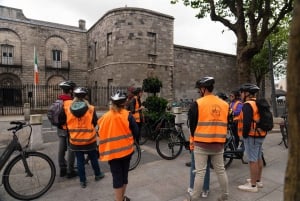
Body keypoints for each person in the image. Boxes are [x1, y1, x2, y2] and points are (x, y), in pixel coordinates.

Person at [185, 76, 229, 201]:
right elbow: (227, 122)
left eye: (199, 89)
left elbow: (192, 125)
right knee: (221, 171)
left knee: (200, 172)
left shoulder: (197, 104)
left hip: (201, 145)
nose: (199, 91)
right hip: (218, 144)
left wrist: (195, 138)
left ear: (204, 89)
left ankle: (193, 198)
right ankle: (225, 196)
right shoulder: (224, 104)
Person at [59, 87, 105, 188]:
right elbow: (95, 122)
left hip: (75, 140)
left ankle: (82, 181)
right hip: (89, 139)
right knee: (93, 158)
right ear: (85, 96)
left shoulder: (68, 108)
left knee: (79, 160)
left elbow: (63, 121)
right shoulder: (91, 108)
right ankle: (97, 175)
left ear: (74, 96)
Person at [98, 90, 139, 201]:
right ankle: (121, 198)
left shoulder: (104, 117)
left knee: (117, 177)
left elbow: (99, 132)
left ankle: (119, 199)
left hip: (111, 153)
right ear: (124, 103)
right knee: (124, 176)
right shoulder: (128, 116)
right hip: (126, 152)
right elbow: (136, 132)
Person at [237, 83, 265, 192]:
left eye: (242, 93)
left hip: (252, 136)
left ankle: (253, 186)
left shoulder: (248, 105)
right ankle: (258, 180)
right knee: (258, 158)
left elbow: (247, 123)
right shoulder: (257, 103)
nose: (241, 95)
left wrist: (244, 136)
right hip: (260, 135)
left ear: (247, 93)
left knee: (252, 160)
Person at [57, 80, 77, 178]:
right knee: (71, 149)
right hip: (69, 128)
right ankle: (70, 171)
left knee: (61, 148)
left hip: (60, 128)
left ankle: (62, 169)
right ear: (70, 91)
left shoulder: (58, 100)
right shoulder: (70, 102)